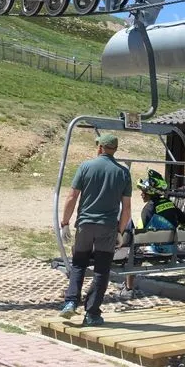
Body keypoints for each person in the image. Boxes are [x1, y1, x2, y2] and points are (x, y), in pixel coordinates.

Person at [59, 133, 132, 326]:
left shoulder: (86, 167)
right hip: (107, 228)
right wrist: (120, 231)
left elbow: (72, 197)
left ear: (100, 147)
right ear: (114, 150)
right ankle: (91, 313)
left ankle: (70, 302)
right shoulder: (123, 172)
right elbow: (127, 208)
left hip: (85, 225)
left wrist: (64, 223)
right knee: (101, 270)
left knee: (78, 264)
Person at [121, 170, 185, 293]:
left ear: (151, 192)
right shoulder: (170, 204)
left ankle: (128, 289)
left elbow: (139, 234)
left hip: (156, 250)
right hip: (171, 249)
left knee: (133, 251)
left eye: (144, 191)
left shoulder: (148, 209)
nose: (141, 194)